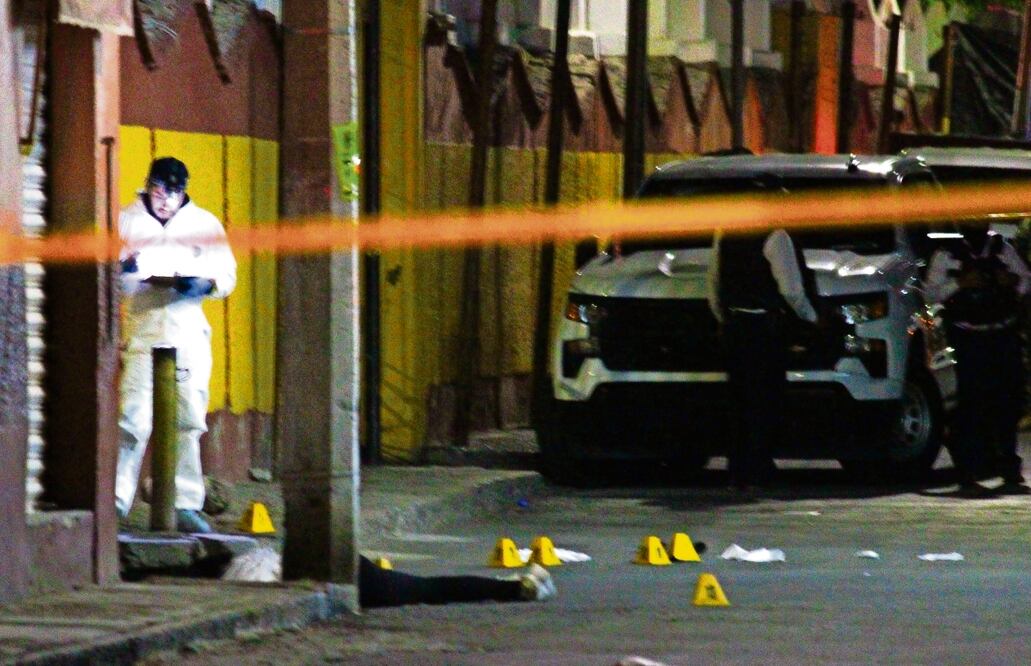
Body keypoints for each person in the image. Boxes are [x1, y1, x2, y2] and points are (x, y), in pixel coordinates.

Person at [115, 157, 237, 532]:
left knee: (188, 418)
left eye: (173, 192)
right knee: (133, 419)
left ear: (184, 191)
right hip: (143, 328)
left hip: (187, 330)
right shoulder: (126, 222)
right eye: (159, 190)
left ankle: (185, 502)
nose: (165, 199)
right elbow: (111, 278)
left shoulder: (204, 225)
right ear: (148, 185)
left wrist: (204, 284)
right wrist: (127, 272)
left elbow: (226, 275)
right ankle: (116, 502)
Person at [708, 224, 819, 489]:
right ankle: (760, 468)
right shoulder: (776, 237)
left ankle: (737, 470)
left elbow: (713, 282)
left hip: (735, 326)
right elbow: (791, 290)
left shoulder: (724, 234)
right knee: (765, 399)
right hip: (763, 330)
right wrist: (811, 317)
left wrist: (723, 317)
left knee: (738, 400)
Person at [925, 220, 1030, 497]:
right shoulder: (947, 254)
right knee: (972, 403)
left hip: (1002, 333)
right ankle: (967, 468)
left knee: (1008, 400)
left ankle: (1008, 465)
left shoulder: (1001, 247)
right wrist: (960, 283)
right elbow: (930, 294)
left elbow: (1025, 279)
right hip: (968, 337)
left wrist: (1011, 282)